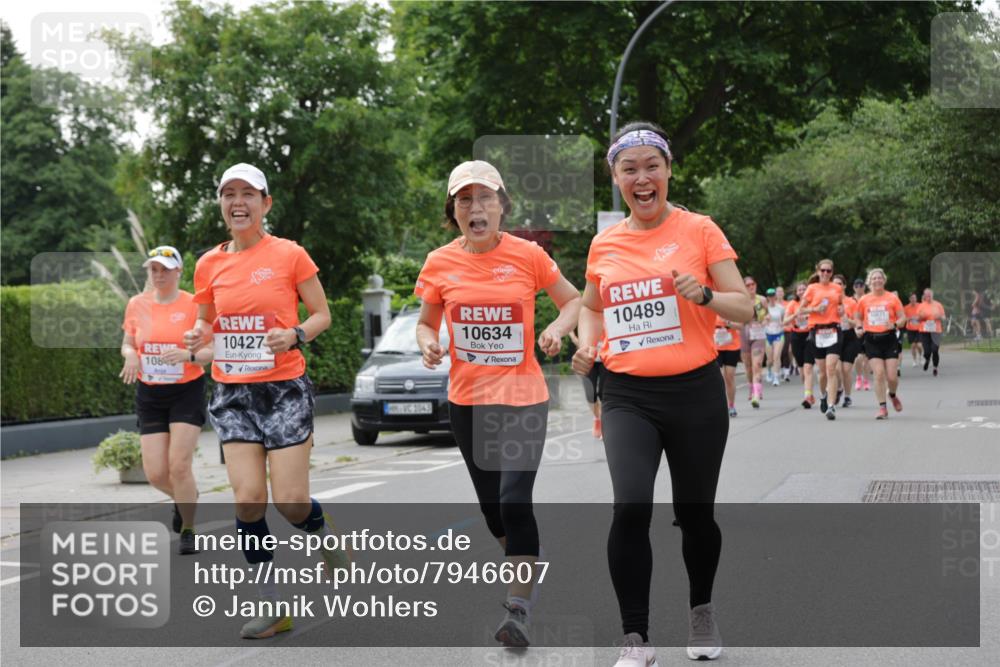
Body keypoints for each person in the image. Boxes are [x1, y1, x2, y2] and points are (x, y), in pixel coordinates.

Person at [571, 122, 752, 665]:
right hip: (627, 394)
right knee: (629, 505)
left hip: (695, 392)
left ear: (669, 170)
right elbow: (591, 307)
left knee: (695, 515)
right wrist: (586, 345)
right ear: (616, 178)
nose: (642, 178)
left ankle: (701, 611)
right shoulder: (605, 242)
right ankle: (635, 638)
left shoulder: (700, 230)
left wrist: (705, 295)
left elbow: (744, 307)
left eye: (652, 166)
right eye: (630, 169)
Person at [415, 160, 582, 647]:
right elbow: (427, 322)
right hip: (466, 402)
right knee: (494, 513)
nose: (475, 207)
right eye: (464, 199)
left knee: (514, 501)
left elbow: (573, 300)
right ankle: (526, 557)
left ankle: (518, 609)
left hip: (523, 398)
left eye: (485, 197)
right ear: (454, 210)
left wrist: (554, 328)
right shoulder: (439, 262)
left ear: (502, 205)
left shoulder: (528, 256)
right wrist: (428, 341)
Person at [182, 163, 344, 639]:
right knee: (249, 500)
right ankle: (273, 607)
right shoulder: (209, 263)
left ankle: (321, 532)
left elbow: (321, 315)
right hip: (233, 392)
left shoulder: (290, 254)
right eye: (228, 194)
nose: (238, 202)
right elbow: (206, 325)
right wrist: (198, 333)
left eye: (248, 194)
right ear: (221, 204)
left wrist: (294, 335)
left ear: (265, 203)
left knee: (291, 502)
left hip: (283, 389)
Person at [120, 245, 210, 555]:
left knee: (179, 466)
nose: (159, 275)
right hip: (150, 393)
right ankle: (187, 498)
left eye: (165, 269)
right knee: (156, 472)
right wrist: (130, 355)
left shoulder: (193, 305)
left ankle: (188, 528)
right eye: (153, 269)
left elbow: (212, 352)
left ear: (179, 271)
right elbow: (128, 342)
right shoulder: (136, 304)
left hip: (186, 390)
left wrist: (189, 354)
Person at [856, 269, 906, 419]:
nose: (877, 280)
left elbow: (903, 318)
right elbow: (858, 317)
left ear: (884, 280)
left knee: (892, 378)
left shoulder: (892, 298)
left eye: (880, 278)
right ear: (870, 282)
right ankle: (882, 408)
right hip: (871, 340)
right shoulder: (864, 300)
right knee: (878, 374)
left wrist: (895, 325)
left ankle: (892, 394)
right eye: (874, 278)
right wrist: (859, 328)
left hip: (889, 339)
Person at [799, 259, 845, 420]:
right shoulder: (812, 288)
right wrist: (815, 309)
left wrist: (841, 309)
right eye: (823, 270)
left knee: (831, 368)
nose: (826, 273)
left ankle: (831, 406)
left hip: (833, 330)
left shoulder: (837, 288)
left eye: (829, 271)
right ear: (818, 271)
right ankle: (824, 395)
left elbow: (841, 306)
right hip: (817, 331)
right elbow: (800, 310)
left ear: (832, 273)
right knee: (822, 371)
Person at [784, 282, 815, 407]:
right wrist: (795, 315)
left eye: (804, 289)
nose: (802, 291)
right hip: (796, 336)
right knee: (802, 371)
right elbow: (785, 321)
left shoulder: (812, 303)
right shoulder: (793, 304)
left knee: (808, 368)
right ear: (796, 292)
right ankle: (808, 393)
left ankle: (807, 397)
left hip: (809, 335)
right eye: (800, 289)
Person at [740, 276, 768, 408]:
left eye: (753, 284)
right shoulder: (741, 301)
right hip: (744, 332)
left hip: (758, 333)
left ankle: (756, 395)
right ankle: (752, 387)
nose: (751, 287)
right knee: (748, 366)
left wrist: (765, 320)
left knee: (757, 364)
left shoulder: (761, 300)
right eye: (748, 285)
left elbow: (767, 314)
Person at [570, 329, 603, 438]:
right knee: (590, 394)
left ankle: (604, 424)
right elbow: (570, 327)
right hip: (588, 358)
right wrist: (576, 340)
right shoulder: (582, 312)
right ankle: (597, 418)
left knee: (604, 393)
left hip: (606, 358)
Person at [833, 274, 859, 408]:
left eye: (839, 283)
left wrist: (846, 319)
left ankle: (848, 396)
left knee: (846, 369)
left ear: (844, 286)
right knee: (836, 369)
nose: (837, 286)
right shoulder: (829, 301)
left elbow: (857, 322)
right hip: (834, 336)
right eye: (834, 283)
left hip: (849, 337)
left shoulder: (851, 302)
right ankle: (838, 389)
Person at [715, 315, 742, 417]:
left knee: (729, 376)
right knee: (719, 377)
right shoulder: (710, 309)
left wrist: (728, 323)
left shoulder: (729, 309)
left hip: (732, 346)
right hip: (716, 347)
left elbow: (741, 326)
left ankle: (731, 405)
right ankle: (720, 406)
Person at [916, 288, 946, 376]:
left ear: (932, 295)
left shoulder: (938, 305)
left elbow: (944, 317)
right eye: (926, 295)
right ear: (924, 296)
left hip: (936, 331)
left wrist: (939, 317)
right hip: (924, 331)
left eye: (930, 295)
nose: (928, 296)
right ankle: (927, 359)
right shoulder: (921, 306)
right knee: (927, 351)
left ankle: (935, 367)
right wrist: (922, 317)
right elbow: (917, 319)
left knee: (935, 350)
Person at [851, 278, 871, 391]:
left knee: (867, 358)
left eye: (861, 285)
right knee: (858, 358)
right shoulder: (851, 300)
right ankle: (859, 377)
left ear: (864, 287)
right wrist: (856, 327)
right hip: (855, 330)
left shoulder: (869, 299)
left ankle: (866, 380)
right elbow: (850, 315)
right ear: (854, 287)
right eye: (857, 286)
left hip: (868, 330)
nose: (859, 288)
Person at [764, 288, 786, 387]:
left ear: (775, 296)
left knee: (776, 356)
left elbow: (784, 319)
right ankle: (769, 370)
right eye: (769, 296)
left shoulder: (780, 308)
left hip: (779, 334)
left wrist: (783, 324)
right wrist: (765, 320)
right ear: (767, 297)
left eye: (773, 295)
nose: (771, 297)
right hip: (768, 334)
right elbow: (761, 321)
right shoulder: (765, 308)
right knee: (770, 359)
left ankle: (776, 377)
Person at [903, 292, 923, 366]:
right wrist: (909, 318)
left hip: (919, 329)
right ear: (909, 299)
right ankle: (914, 360)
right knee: (913, 346)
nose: (913, 299)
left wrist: (919, 318)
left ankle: (920, 357)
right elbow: (903, 318)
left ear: (916, 298)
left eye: (914, 298)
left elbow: (924, 316)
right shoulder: (906, 308)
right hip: (910, 329)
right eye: (912, 298)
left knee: (919, 345)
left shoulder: (920, 306)